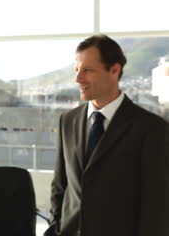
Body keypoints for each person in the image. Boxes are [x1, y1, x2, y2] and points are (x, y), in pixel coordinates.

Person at [44, 34, 169, 236]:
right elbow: (60, 186)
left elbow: (157, 207)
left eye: (87, 70)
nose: (78, 79)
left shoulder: (151, 128)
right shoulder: (67, 121)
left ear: (114, 70)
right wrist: (55, 229)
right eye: (77, 70)